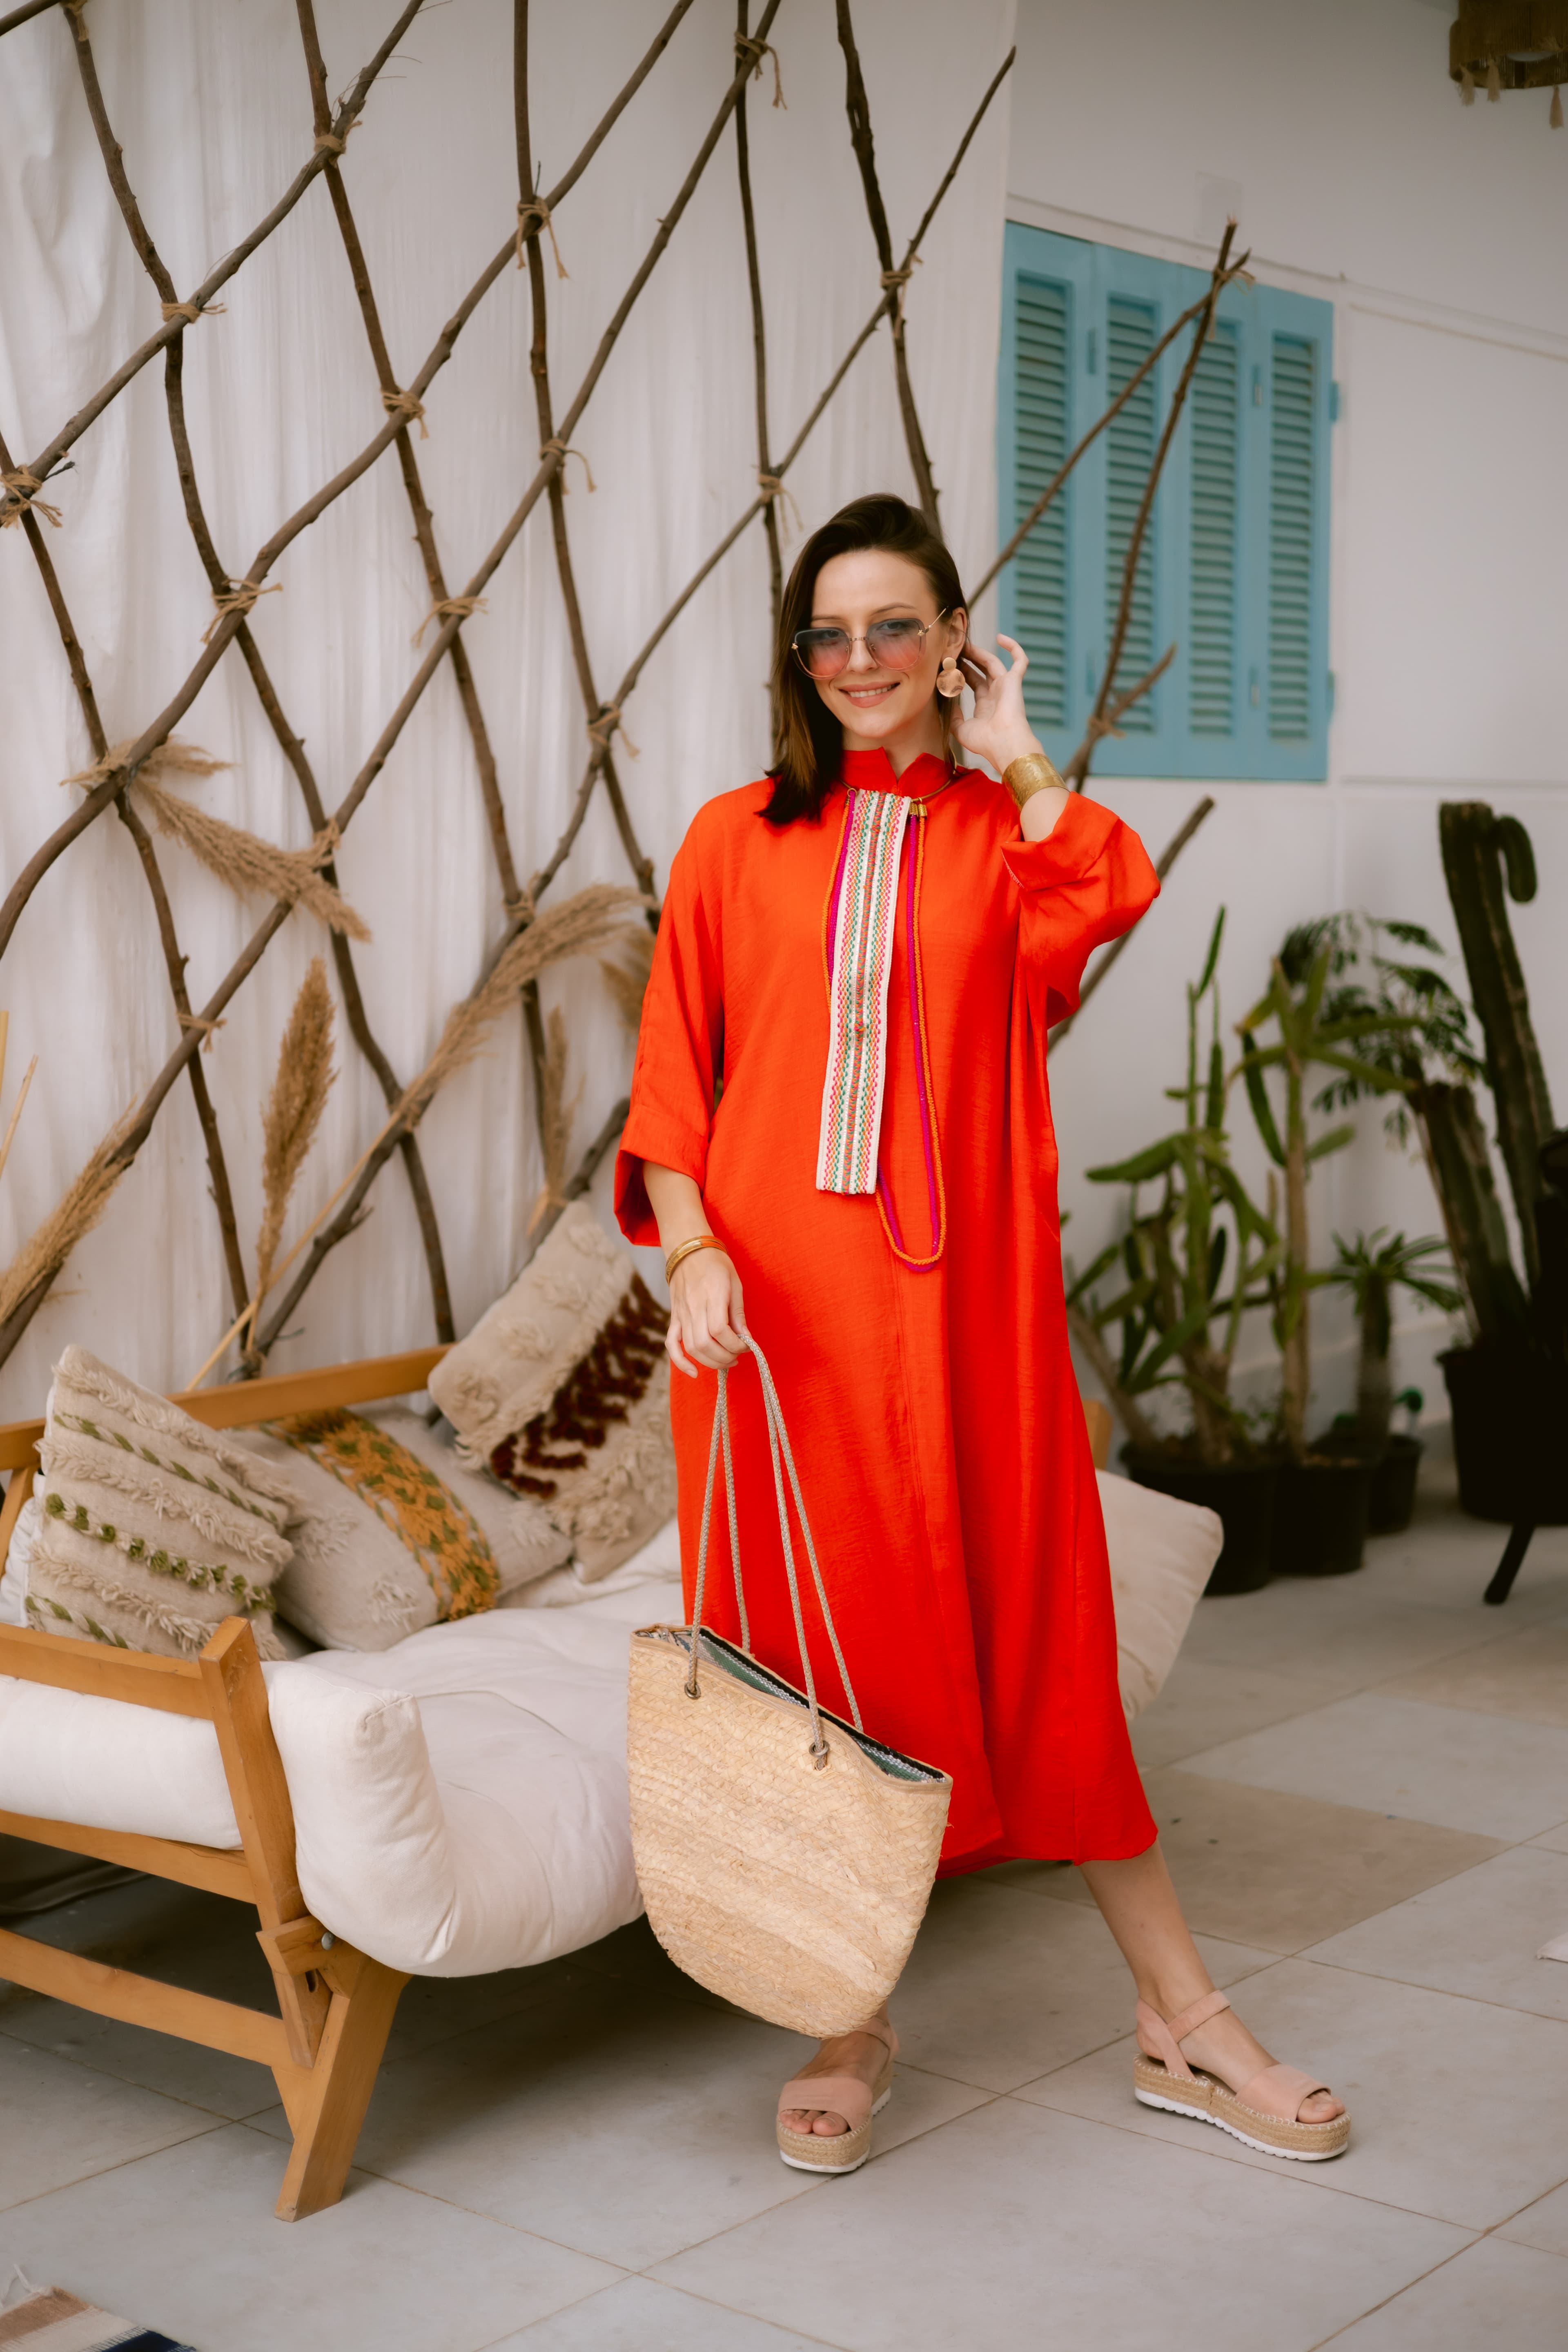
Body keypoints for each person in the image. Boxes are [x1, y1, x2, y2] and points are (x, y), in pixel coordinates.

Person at [614, 493, 1349, 2174]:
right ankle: (845, 2015)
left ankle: (1184, 2019)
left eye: (896, 626)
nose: (862, 659)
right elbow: (673, 1089)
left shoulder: (998, 847)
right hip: (776, 1344)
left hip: (971, 1326)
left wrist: (1016, 758)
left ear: (952, 639)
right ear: (800, 661)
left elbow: (1111, 893)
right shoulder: (734, 839)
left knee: (1043, 1649)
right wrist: (696, 1254)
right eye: (830, 634)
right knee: (816, 1677)